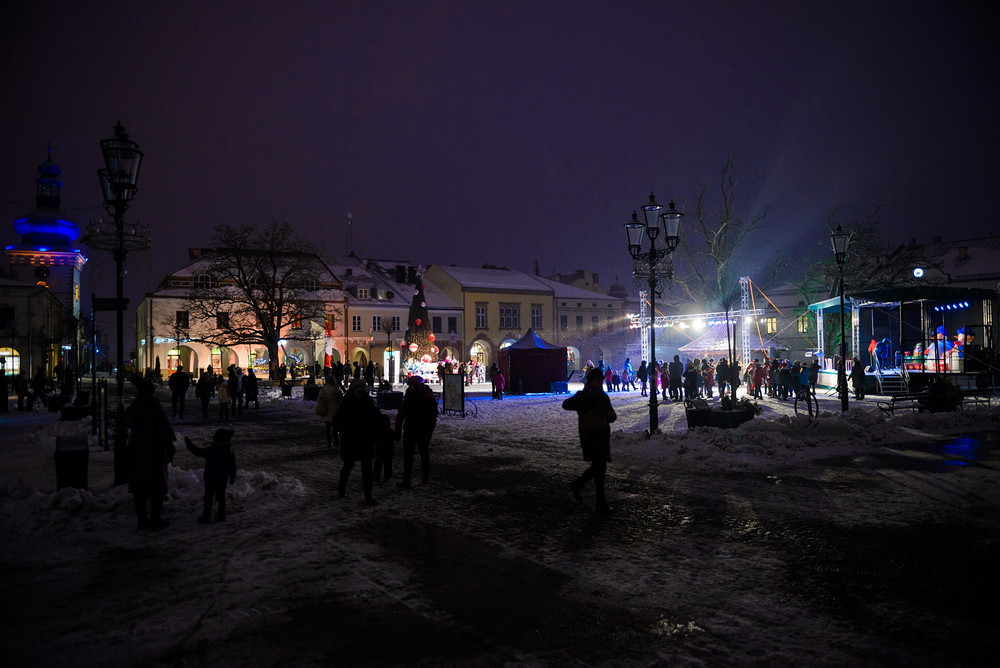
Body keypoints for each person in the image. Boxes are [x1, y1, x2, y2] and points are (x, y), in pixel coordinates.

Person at [564, 367, 617, 514]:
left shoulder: (603, 396)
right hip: (590, 434)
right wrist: (586, 410)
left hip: (602, 434)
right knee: (599, 467)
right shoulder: (584, 396)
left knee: (599, 468)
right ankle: (600, 502)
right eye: (598, 380)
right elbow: (566, 405)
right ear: (591, 381)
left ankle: (578, 485)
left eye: (601, 380)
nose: (600, 383)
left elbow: (612, 416)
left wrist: (609, 414)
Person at [125, 379, 176, 530]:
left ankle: (142, 519)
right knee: (157, 486)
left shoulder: (134, 406)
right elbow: (164, 428)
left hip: (137, 448)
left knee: (139, 487)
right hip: (154, 448)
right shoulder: (154, 407)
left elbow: (126, 419)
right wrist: (169, 446)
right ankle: (155, 518)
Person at [333, 378, 379, 505]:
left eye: (362, 391)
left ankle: (368, 496)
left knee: (367, 471)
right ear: (353, 391)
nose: (361, 394)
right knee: (348, 466)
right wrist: (343, 432)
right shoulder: (347, 404)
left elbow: (376, 420)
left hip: (365, 441)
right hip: (351, 441)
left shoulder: (368, 403)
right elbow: (337, 421)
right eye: (359, 392)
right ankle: (341, 490)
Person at [184, 429, 237, 523]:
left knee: (208, 497)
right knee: (221, 497)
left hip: (210, 478)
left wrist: (190, 445)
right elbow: (233, 466)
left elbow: (198, 452)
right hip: (222, 479)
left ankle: (206, 516)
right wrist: (232, 477)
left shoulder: (211, 450)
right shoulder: (230, 452)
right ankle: (221, 515)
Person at [395, 375, 438, 488]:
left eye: (410, 385)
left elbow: (403, 412)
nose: (409, 387)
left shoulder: (417, 396)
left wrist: (398, 428)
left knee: (415, 455)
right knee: (420, 454)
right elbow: (432, 415)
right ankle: (419, 479)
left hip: (416, 428)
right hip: (417, 429)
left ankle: (413, 479)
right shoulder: (424, 395)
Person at [315, 374, 344, 448]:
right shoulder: (337, 389)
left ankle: (329, 442)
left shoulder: (324, 389)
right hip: (335, 410)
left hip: (326, 410)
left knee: (327, 427)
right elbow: (341, 400)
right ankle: (336, 441)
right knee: (335, 427)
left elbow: (319, 399)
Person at [371, 412, 395, 482]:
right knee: (388, 464)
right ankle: (387, 476)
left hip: (380, 450)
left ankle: (376, 476)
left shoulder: (378, 432)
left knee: (378, 463)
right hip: (389, 451)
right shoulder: (390, 432)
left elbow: (375, 441)